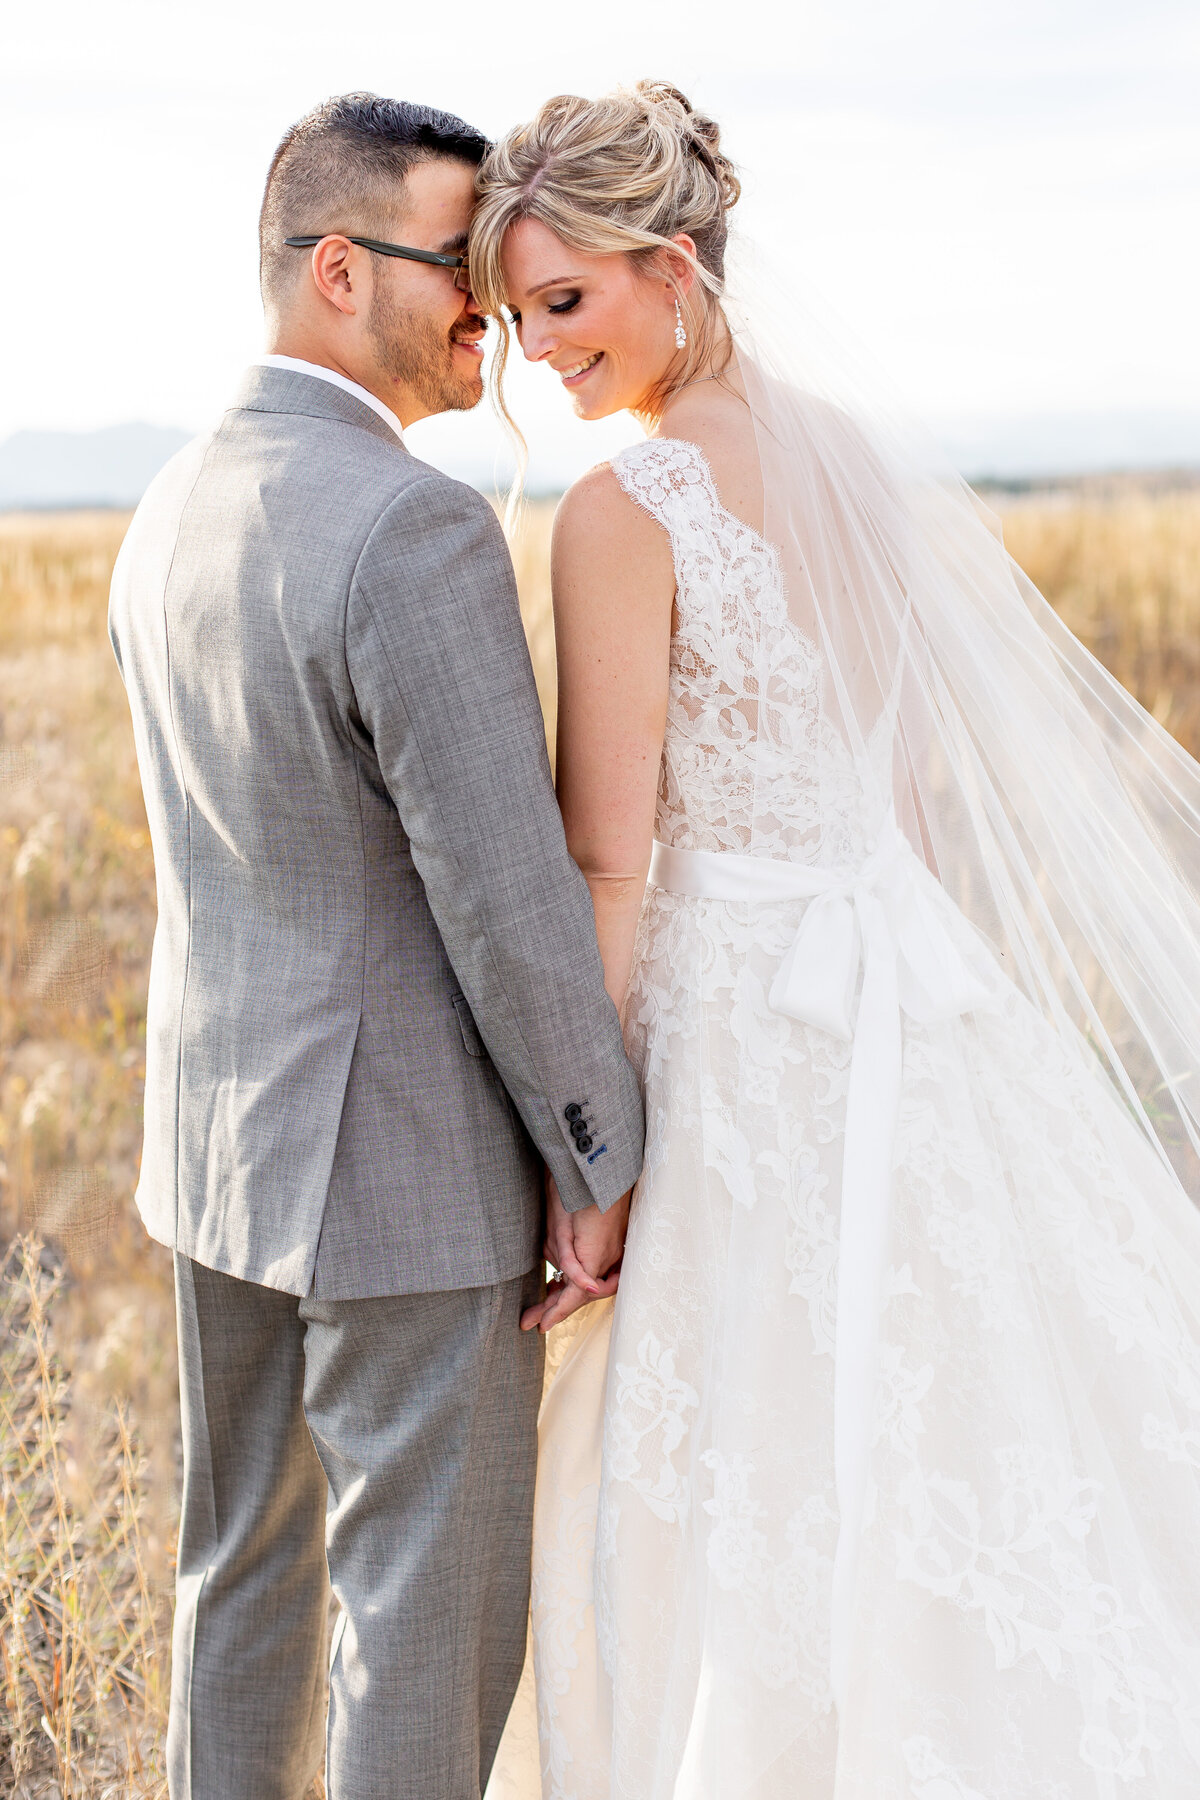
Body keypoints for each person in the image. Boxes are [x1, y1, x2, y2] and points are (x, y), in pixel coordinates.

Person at [470, 81, 1200, 1799]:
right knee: (967, 1416)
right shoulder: (862, 464)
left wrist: (595, 1161)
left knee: (754, 1449)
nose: (538, 354)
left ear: (674, 262)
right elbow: (917, 799)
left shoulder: (622, 508)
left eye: (564, 301)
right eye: (511, 319)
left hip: (746, 1030)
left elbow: (610, 861)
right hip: (922, 1001)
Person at [108, 92, 642, 1800]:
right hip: (406, 1184)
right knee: (421, 1623)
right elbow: (505, 890)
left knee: (238, 1584)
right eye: (458, 272)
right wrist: (597, 1146)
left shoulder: (167, 505)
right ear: (342, 269)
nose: (484, 315)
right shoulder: (410, 528)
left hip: (212, 1160)